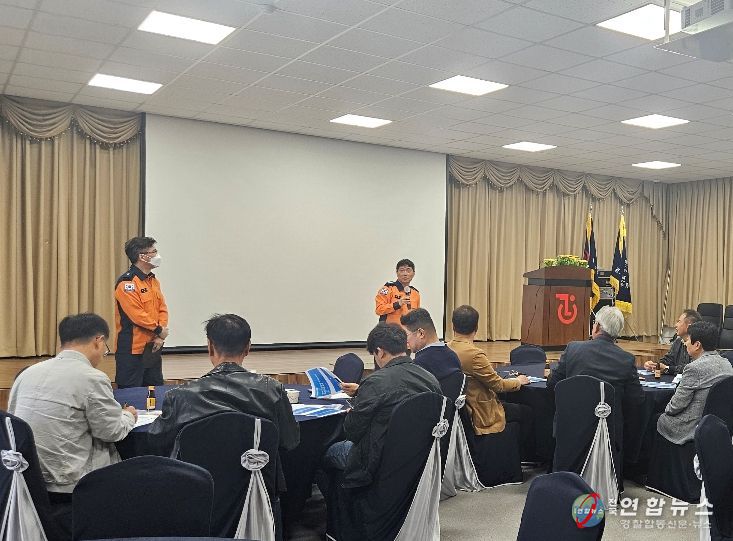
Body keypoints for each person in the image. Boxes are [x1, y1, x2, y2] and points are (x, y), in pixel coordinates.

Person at [9, 313, 137, 537]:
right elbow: (112, 431)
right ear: (98, 341)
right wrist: (128, 416)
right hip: (71, 484)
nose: (103, 355)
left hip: (28, 480)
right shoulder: (92, 377)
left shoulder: (27, 374)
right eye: (105, 348)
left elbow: (13, 426)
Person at [148, 313, 299, 457]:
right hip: (256, 473)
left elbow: (156, 440)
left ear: (210, 347)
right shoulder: (272, 390)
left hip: (197, 475)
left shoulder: (180, 396)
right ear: (248, 348)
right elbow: (290, 441)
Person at [322, 323, 441, 488]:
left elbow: (352, 432)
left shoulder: (375, 383)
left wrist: (353, 413)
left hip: (376, 459)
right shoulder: (430, 378)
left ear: (380, 351)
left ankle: (340, 501)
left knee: (325, 454)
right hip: (419, 457)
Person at [546, 305, 644, 450]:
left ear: (597, 326)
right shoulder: (626, 360)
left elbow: (553, 384)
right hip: (608, 434)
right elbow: (636, 400)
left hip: (569, 430)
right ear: (617, 332)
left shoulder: (573, 349)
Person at [447, 305, 535, 459]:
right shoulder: (475, 355)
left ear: (453, 326)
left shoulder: (447, 348)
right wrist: (519, 381)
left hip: (464, 408)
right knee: (526, 412)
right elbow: (498, 385)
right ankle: (520, 457)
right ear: (476, 327)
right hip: (480, 410)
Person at [657, 321, 733, 445]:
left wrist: (664, 409)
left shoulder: (694, 368)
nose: (685, 343)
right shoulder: (727, 363)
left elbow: (675, 407)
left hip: (691, 428)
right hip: (718, 426)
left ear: (697, 345)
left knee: (656, 418)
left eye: (687, 340)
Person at [114, 236, 169, 388]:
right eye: (153, 252)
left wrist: (160, 335)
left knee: (155, 391)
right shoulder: (127, 283)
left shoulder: (153, 281)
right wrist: (159, 330)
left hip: (152, 347)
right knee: (130, 394)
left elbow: (162, 308)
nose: (157, 255)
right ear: (142, 256)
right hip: (132, 350)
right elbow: (136, 315)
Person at [401, 308, 462, 395]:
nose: (404, 340)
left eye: (406, 335)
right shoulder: (453, 356)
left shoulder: (418, 366)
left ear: (421, 333)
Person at [644, 309, 701, 375]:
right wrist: (655, 365)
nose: (675, 325)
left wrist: (667, 368)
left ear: (689, 326)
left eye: (679, 322)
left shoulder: (697, 344)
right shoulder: (678, 341)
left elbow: (692, 369)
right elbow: (668, 359)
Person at [375, 258, 421, 325]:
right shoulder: (388, 289)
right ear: (397, 273)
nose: (405, 274)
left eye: (408, 270)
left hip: (408, 330)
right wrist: (398, 304)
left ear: (413, 274)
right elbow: (379, 310)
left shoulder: (415, 293)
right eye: (402, 270)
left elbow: (417, 316)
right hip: (389, 330)